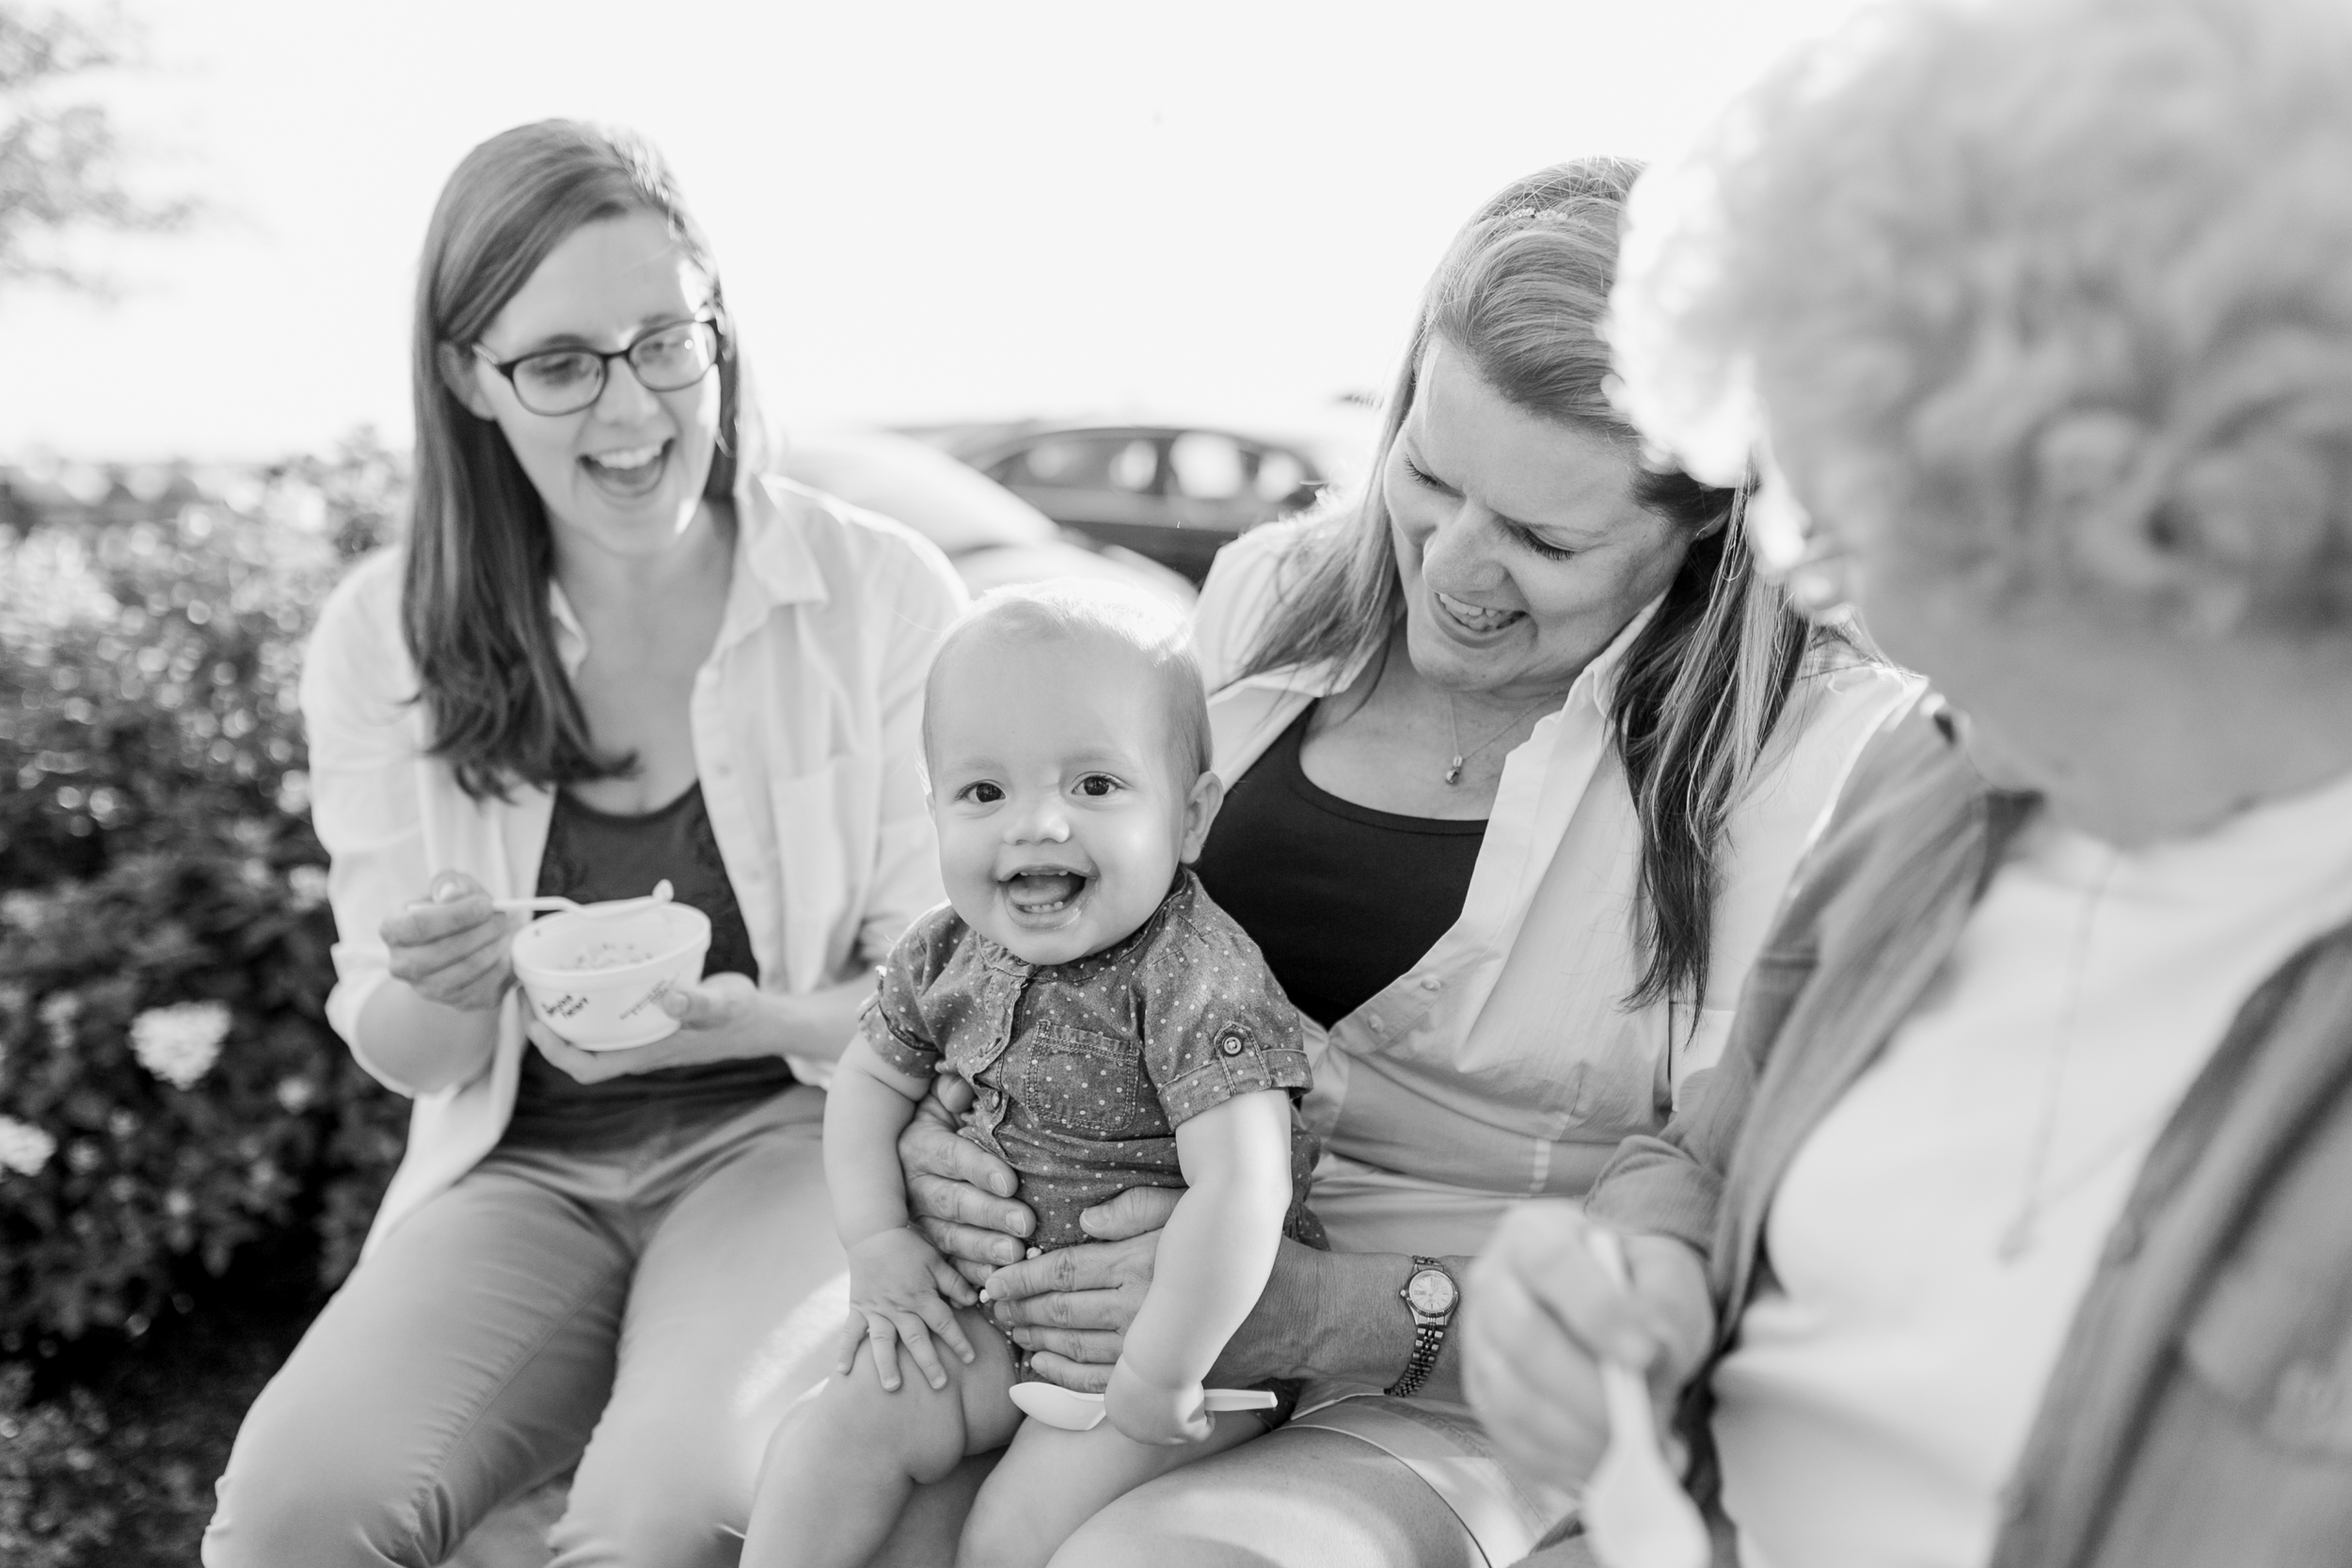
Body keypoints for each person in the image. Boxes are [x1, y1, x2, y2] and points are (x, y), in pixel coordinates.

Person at [892, 160, 1920, 1567]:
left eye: (1547, 539)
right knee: (841, 1507)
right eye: (1431, 477)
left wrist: (1334, 1305)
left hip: (1473, 1361)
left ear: (1712, 532)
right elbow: (1057, 911)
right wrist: (947, 1132)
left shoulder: (1814, 762)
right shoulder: (1268, 596)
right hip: (1123, 1281)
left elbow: (1749, 1227)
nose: (1454, 568)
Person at [1462, 2, 2352, 1565]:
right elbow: (1709, 1148)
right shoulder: (1936, 796)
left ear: (2142, 533)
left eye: (1854, 527)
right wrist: (1633, 1273)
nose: (1826, 598)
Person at [201, 121, 965, 1568]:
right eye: (560, 364)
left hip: (798, 1136)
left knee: (666, 1516)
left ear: (717, 332)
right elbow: (413, 1049)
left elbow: (944, 987)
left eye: (666, 342)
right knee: (292, 1513)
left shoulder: (878, 596)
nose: (633, 409)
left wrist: (755, 1019)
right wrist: (445, 972)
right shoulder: (389, 636)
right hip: (524, 1162)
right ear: (467, 379)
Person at [745, 584, 1321, 1568]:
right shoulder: (944, 951)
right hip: (991, 1308)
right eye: (984, 792)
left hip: (1164, 1342)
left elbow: (1245, 1183)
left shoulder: (1194, 976)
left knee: (1011, 1531)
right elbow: (866, 1086)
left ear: (1188, 817)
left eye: (1094, 785)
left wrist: (1162, 1364)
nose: (1037, 824)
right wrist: (877, 1236)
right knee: (829, 1436)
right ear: (934, 809)